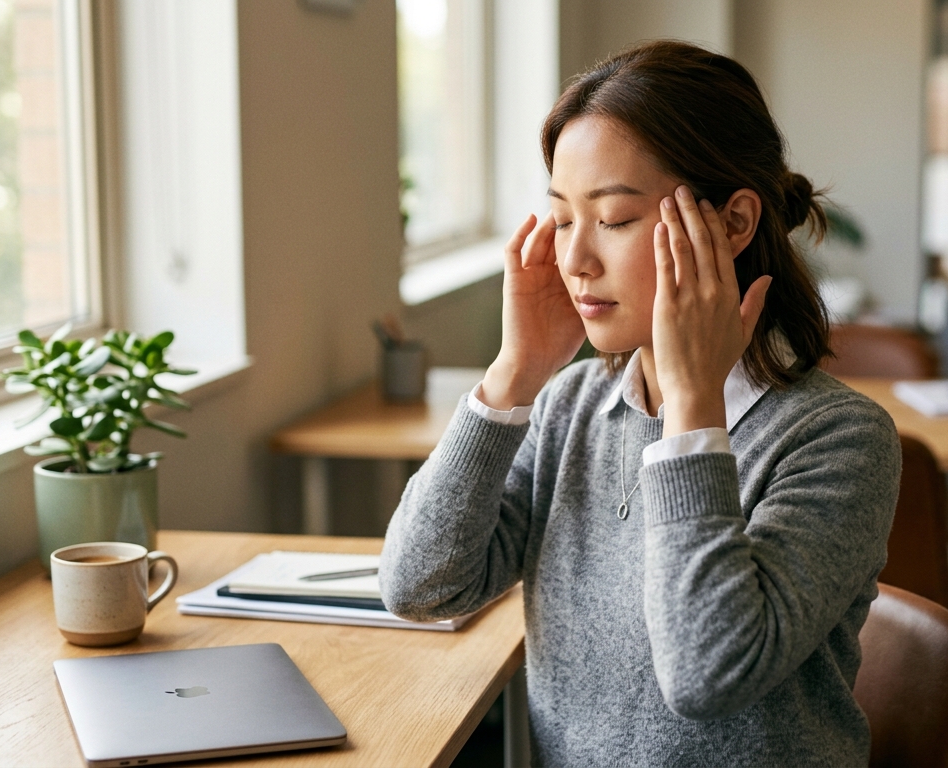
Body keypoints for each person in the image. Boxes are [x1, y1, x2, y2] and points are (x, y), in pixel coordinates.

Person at [380, 40, 901, 767]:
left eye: (616, 219)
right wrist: (513, 374)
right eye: (562, 219)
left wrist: (691, 408)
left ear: (733, 223)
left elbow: (707, 674)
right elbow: (420, 587)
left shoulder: (837, 439)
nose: (574, 259)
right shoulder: (570, 406)